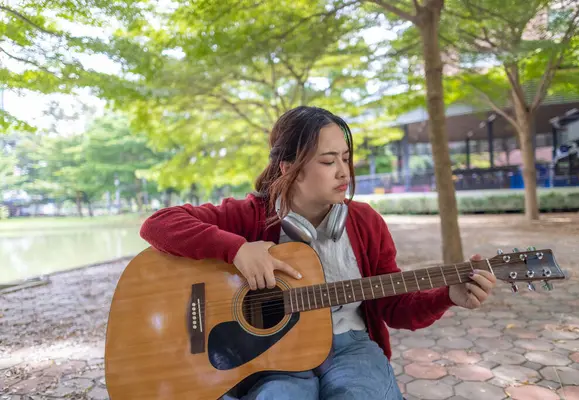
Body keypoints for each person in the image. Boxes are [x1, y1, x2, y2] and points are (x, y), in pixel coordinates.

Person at [139, 105, 497, 400]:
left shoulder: (366, 223)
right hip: (271, 353)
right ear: (289, 168)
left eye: (345, 157)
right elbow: (157, 224)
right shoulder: (248, 217)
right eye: (328, 161)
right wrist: (237, 250)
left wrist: (448, 295)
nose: (344, 172)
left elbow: (394, 307)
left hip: (350, 346)